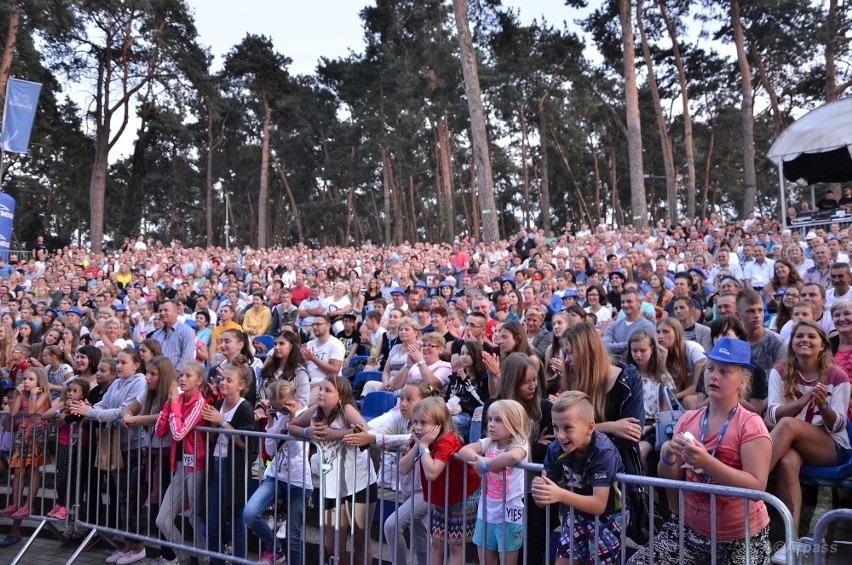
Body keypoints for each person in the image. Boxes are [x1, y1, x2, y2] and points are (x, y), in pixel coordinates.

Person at [628, 337, 772, 565]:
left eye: (725, 371)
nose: (714, 376)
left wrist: (707, 463)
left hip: (742, 537)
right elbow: (670, 476)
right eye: (711, 369)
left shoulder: (751, 424)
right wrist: (667, 456)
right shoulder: (688, 419)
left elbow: (757, 486)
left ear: (742, 382)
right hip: (690, 529)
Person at [767, 320, 850, 564]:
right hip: (791, 444)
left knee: (788, 425)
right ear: (791, 343)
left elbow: (839, 425)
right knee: (787, 463)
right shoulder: (780, 371)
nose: (805, 340)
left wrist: (823, 406)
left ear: (823, 345)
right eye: (799, 336)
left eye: (811, 336)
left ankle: (750, 485)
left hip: (831, 445)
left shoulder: (837, 375)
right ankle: (792, 541)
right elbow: (771, 414)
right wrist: (801, 403)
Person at [69, 347, 148, 564]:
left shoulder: (140, 383)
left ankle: (138, 546)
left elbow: (122, 411)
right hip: (116, 446)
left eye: (124, 362)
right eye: (118, 362)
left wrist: (91, 412)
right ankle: (127, 545)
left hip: (134, 446)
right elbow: (104, 405)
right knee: (122, 497)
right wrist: (89, 408)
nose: (119, 366)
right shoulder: (117, 383)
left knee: (132, 497)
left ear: (136, 365)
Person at [344, 381, 435, 565]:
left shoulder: (429, 424)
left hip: (427, 490)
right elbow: (382, 432)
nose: (403, 403)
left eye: (409, 399)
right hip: (410, 488)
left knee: (393, 526)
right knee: (420, 540)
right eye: (401, 398)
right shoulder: (400, 419)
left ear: (425, 402)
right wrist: (367, 432)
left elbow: (408, 438)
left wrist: (372, 437)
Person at [289, 376, 376, 565]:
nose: (321, 393)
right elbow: (292, 426)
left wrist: (333, 434)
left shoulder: (347, 410)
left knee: (360, 540)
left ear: (341, 395)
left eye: (328, 390)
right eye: (321, 389)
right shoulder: (315, 411)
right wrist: (308, 432)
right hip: (332, 485)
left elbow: (367, 434)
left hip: (358, 482)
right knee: (332, 545)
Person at [532, 391, 626, 565]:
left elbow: (598, 505)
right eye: (555, 427)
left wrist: (559, 494)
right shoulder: (554, 449)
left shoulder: (603, 451)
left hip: (609, 518)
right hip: (575, 514)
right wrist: (539, 490)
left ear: (590, 427)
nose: (560, 435)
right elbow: (542, 501)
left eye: (567, 428)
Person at [399, 396, 481, 565]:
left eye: (423, 423)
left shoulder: (449, 440)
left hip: (463, 496)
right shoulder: (421, 440)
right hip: (442, 497)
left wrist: (423, 447)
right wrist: (418, 445)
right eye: (415, 422)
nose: (417, 427)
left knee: (455, 545)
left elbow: (432, 472)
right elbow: (403, 468)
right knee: (436, 541)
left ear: (439, 424)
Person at [244, 380, 312, 565]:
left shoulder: (304, 415)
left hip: (298, 480)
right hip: (275, 475)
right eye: (275, 407)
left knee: (293, 535)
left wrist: (292, 419)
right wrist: (272, 421)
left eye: (281, 407)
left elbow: (300, 450)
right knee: (250, 513)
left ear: (292, 399)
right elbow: (270, 450)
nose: (279, 411)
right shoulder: (277, 416)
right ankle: (275, 548)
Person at [457, 399, 530, 565]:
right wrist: (485, 461)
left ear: (513, 422)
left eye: (498, 420)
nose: (491, 424)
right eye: (490, 419)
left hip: (509, 514)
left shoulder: (520, 444)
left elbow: (513, 457)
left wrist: (485, 465)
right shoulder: (488, 443)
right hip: (486, 512)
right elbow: (463, 451)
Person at [201, 355, 256, 565]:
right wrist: (215, 423)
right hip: (216, 464)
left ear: (241, 386)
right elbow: (213, 439)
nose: (223, 383)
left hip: (233, 468)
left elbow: (245, 443)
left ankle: (239, 561)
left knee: (236, 522)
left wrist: (222, 422)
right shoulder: (219, 403)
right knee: (212, 522)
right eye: (222, 379)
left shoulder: (245, 408)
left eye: (228, 380)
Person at [154, 361, 208, 565]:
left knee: (194, 518)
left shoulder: (199, 403)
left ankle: (205, 560)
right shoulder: (177, 400)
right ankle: (184, 559)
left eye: (188, 376)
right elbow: (160, 431)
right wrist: (170, 403)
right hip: (179, 466)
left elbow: (178, 432)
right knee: (162, 520)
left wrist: (174, 405)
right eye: (181, 376)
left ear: (199, 381)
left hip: (197, 467)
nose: (182, 379)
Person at [1, 367, 51, 520]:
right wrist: (18, 394)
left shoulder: (42, 395)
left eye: (31, 379)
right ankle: (15, 503)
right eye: (24, 379)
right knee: (17, 471)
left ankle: (28, 505)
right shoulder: (22, 393)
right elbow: (13, 413)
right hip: (22, 435)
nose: (26, 382)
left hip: (37, 436)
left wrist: (34, 395)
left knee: (33, 470)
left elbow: (30, 411)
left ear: (39, 382)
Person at [43, 377, 90, 522]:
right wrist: (61, 408)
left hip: (80, 445)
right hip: (64, 443)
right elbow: (46, 415)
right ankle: (61, 502)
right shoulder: (63, 404)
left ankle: (69, 506)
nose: (71, 393)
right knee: (62, 475)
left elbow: (79, 415)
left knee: (74, 477)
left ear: (82, 394)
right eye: (69, 390)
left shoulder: (85, 405)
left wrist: (66, 416)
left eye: (75, 391)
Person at [626, 330, 676, 463]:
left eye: (643, 351)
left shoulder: (662, 378)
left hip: (653, 426)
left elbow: (665, 416)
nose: (638, 355)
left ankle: (643, 484)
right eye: (634, 350)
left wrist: (648, 428)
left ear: (652, 350)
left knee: (639, 453)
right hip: (631, 423)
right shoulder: (625, 376)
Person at [444, 340, 489, 441]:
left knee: (451, 422)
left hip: (472, 417)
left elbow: (483, 403)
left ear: (476, 355)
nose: (463, 356)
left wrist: (467, 382)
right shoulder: (456, 377)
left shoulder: (484, 378)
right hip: (454, 414)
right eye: (462, 353)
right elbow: (448, 399)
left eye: (468, 354)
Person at [657, 318, 706, 409]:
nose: (660, 336)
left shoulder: (694, 349)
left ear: (677, 333)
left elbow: (697, 387)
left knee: (688, 400)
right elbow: (661, 388)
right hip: (678, 396)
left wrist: (673, 397)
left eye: (665, 332)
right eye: (658, 332)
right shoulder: (660, 353)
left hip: (700, 396)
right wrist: (663, 359)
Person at [300, 314, 345, 405]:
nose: (315, 327)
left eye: (318, 324)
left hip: (324, 384)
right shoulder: (309, 344)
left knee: (303, 405)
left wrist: (313, 358)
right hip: (307, 382)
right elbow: (304, 367)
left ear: (328, 326)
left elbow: (334, 371)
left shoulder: (336, 344)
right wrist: (302, 359)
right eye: (313, 325)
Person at [259, 329, 310, 407]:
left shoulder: (300, 372)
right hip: (264, 414)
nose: (276, 347)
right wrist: (260, 407)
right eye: (275, 344)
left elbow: (303, 403)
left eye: (281, 343)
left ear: (291, 346)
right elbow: (259, 395)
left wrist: (271, 404)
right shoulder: (268, 369)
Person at [603, 288, 656, 358]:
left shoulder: (647, 326)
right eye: (622, 302)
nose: (625, 305)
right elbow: (604, 347)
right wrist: (629, 344)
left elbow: (648, 350)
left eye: (629, 301)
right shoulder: (613, 326)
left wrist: (615, 346)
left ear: (639, 303)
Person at [151, 300, 196, 370]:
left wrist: (174, 377)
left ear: (176, 312)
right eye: (160, 311)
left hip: (177, 377)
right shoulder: (156, 334)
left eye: (166, 310)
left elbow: (187, 358)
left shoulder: (186, 331)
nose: (162, 313)